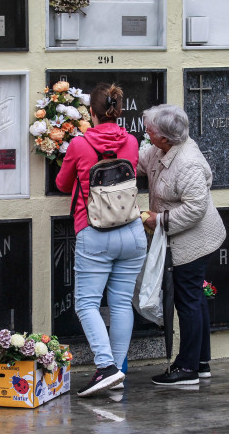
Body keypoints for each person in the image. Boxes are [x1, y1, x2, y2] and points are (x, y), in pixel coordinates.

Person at [56, 83, 147, 396]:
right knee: (121, 303)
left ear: (90, 112)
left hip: (96, 233)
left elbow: (62, 183)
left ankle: (106, 367)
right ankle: (118, 371)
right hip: (133, 232)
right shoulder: (132, 141)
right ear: (118, 111)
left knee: (86, 304)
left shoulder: (80, 145)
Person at [138, 104, 226, 385]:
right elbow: (140, 158)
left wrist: (159, 219)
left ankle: (186, 369)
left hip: (195, 241)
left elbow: (196, 208)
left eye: (149, 131)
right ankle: (200, 363)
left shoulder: (186, 161)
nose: (146, 135)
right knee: (195, 298)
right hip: (185, 238)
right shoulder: (161, 149)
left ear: (165, 137)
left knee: (186, 300)